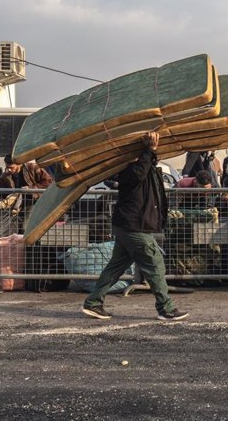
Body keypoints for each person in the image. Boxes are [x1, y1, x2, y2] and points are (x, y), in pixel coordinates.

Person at [82, 132, 188, 321]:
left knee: (115, 267)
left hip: (128, 225)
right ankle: (166, 308)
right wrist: (148, 150)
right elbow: (140, 171)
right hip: (134, 226)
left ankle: (93, 303)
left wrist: (151, 153)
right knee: (155, 263)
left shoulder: (142, 169)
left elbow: (147, 169)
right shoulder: (129, 172)